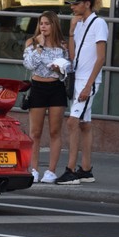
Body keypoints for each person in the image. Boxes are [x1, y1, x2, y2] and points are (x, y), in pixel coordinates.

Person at [56, 0, 108, 185]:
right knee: (85, 125)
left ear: (87, 4)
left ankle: (70, 170)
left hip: (88, 80)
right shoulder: (78, 23)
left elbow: (101, 57)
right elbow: (72, 54)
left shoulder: (99, 23)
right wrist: (70, 32)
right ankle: (86, 169)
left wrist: (88, 86)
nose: (73, 7)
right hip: (77, 79)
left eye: (76, 4)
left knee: (72, 123)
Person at [23, 11, 70, 184]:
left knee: (55, 131)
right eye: (41, 23)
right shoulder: (32, 42)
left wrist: (60, 69)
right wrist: (40, 48)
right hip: (38, 87)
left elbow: (68, 68)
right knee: (35, 132)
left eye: (47, 23)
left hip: (56, 87)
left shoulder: (62, 45)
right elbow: (29, 65)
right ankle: (34, 169)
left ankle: (51, 171)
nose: (43, 26)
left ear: (54, 25)